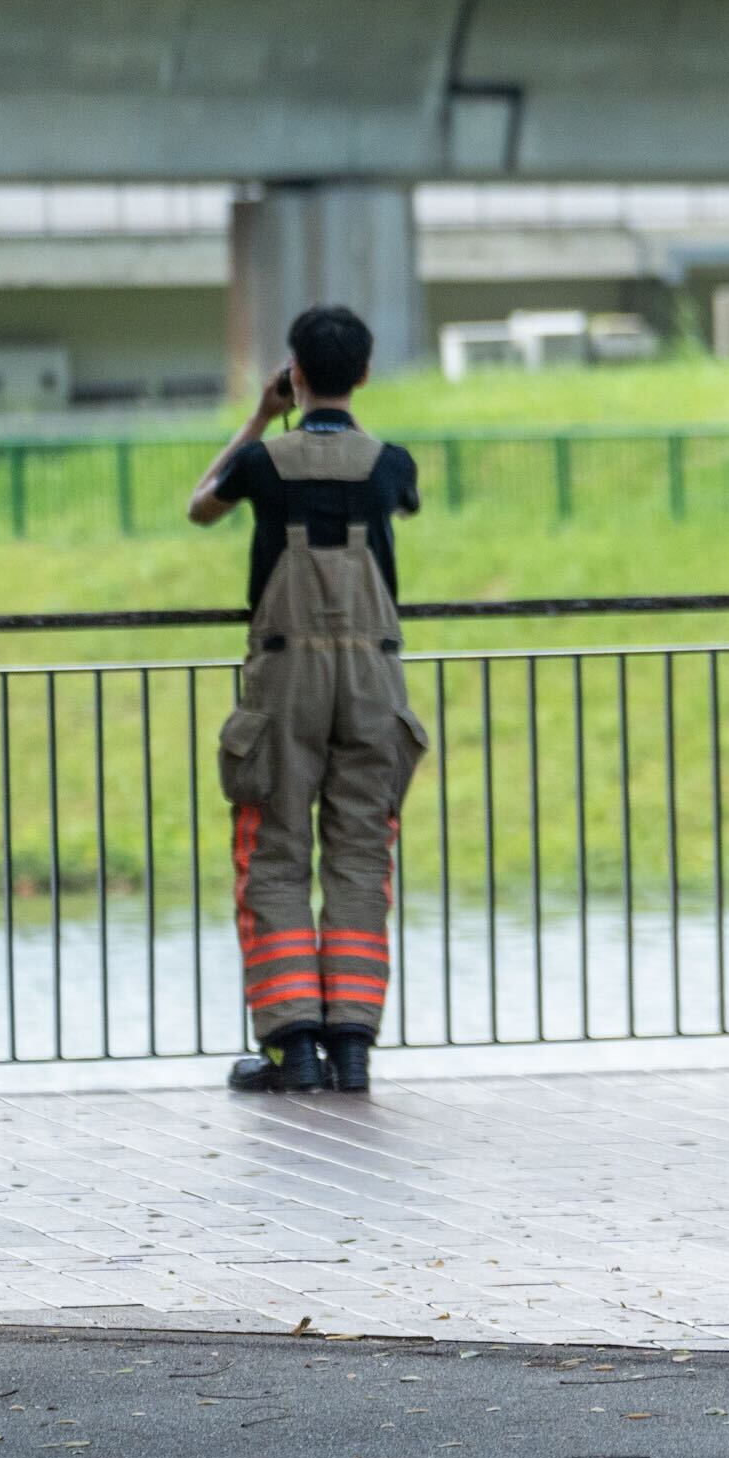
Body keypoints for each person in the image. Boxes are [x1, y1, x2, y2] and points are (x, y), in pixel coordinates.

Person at [186, 306, 425, 1096]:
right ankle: (353, 1046)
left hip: (285, 680)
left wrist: (261, 414)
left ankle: (293, 1048)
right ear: (364, 373)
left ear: (293, 370)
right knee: (361, 853)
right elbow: (400, 503)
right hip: (371, 681)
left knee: (276, 852)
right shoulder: (391, 463)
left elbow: (202, 504)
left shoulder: (263, 462)